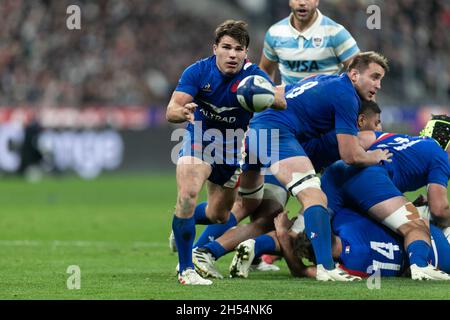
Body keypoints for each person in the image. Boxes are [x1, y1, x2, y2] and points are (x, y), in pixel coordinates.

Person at [235, 51, 391, 282]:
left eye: (381, 80)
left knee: (242, 207)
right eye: (375, 77)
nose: (378, 85)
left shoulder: (326, 80)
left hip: (262, 128)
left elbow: (280, 92)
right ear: (355, 74)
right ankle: (326, 268)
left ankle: (202, 251)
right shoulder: (346, 95)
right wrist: (375, 156)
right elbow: (350, 155)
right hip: (275, 132)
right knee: (314, 197)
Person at [191, 100, 383, 279]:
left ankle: (202, 242)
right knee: (292, 220)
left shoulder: (328, 122)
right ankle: (205, 247)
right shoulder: (357, 136)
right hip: (283, 160)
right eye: (376, 123)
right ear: (361, 120)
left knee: (257, 214)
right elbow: (349, 159)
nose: (378, 128)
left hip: (268, 149)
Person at [166, 20, 283, 285]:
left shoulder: (253, 76)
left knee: (220, 215)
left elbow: (281, 102)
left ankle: (180, 221)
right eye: (226, 47)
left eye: (238, 49)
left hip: (231, 147)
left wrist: (262, 94)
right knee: (188, 195)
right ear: (215, 48)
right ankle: (186, 270)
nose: (232, 54)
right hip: (201, 138)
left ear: (245, 53)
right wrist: (182, 113)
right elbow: (171, 109)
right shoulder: (198, 72)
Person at [318, 114, 450, 280]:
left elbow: (357, 138)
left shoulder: (398, 138)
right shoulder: (441, 155)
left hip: (336, 172)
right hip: (368, 177)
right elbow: (439, 210)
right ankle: (420, 266)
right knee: (416, 226)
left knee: (313, 226)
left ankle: (297, 258)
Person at [231, 208, 450, 280]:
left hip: (440, 263)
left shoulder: (347, 268)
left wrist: (281, 234)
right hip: (426, 234)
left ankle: (255, 245)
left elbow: (300, 270)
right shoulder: (347, 221)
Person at [260, 0, 360, 84]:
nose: (302, 2)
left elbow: (361, 72)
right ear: (290, 1)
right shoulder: (275, 33)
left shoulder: (336, 33)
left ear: (317, 1)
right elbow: (265, 70)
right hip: (289, 105)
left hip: (325, 106)